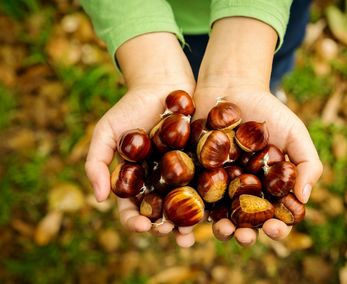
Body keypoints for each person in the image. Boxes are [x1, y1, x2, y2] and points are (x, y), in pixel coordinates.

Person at [81, 0, 323, 248]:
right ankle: (266, 85)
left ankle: (269, 85)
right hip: (175, 24)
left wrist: (244, 69)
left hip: (267, 18)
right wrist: (148, 65)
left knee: (275, 59)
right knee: (198, 60)